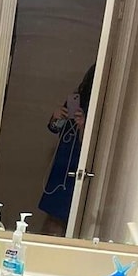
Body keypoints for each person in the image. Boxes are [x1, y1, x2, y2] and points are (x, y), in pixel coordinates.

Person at [38, 64, 95, 236]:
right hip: (62, 163)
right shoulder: (76, 99)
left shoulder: (96, 108)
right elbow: (54, 128)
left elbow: (90, 145)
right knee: (52, 216)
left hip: (78, 166)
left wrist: (83, 125)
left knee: (64, 218)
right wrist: (56, 116)